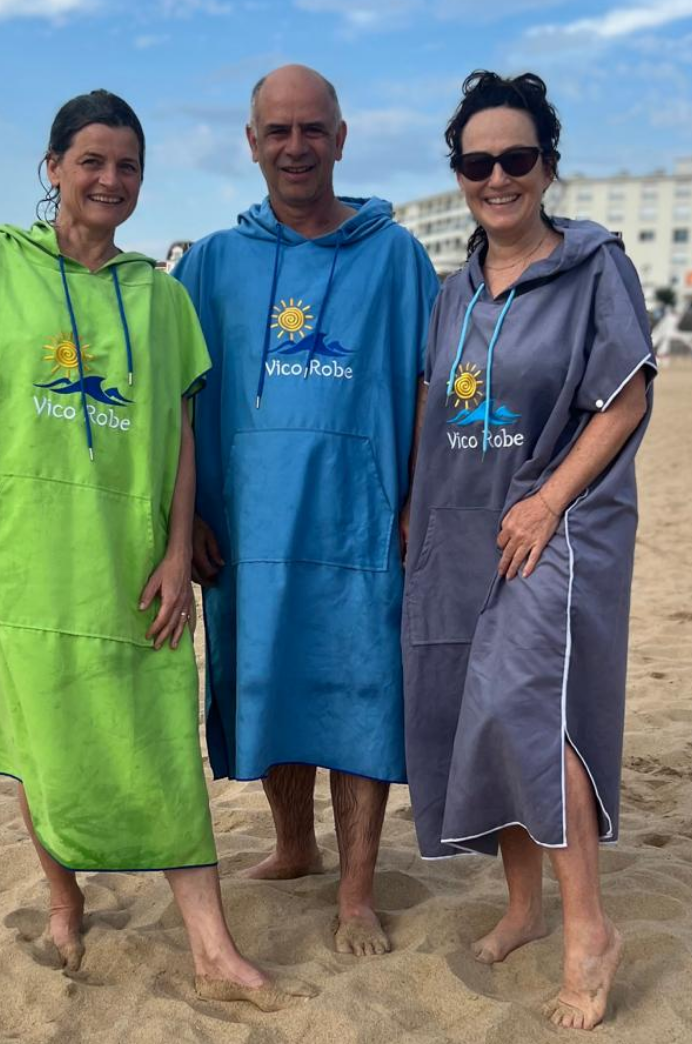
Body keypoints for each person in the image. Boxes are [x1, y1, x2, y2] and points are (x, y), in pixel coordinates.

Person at [0, 89, 310, 1011]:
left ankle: (211, 946)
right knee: (42, 730)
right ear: (53, 167)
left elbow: (179, 434)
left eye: (127, 165)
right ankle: (64, 902)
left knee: (158, 739)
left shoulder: (160, 295)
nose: (109, 179)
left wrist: (177, 553)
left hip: (132, 556)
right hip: (22, 554)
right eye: (91, 161)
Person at [402, 71, 656, 1031]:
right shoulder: (452, 291)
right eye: (477, 163)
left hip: (560, 520)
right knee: (479, 706)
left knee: (524, 701)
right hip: (459, 521)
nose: (496, 177)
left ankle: (588, 929)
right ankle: (522, 906)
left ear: (547, 165)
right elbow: (429, 403)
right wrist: (413, 509)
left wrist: (547, 500)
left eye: (516, 158)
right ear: (458, 175)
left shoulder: (593, 267)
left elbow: (625, 396)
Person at [174, 65, 439, 956]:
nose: (296, 147)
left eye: (312, 129)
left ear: (340, 138)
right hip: (246, 531)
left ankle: (356, 892)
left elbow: (429, 385)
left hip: (358, 525)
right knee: (272, 689)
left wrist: (415, 497)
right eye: (278, 131)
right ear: (251, 143)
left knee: (360, 697)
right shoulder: (210, 263)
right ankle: (295, 847)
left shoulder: (394, 257)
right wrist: (185, 518)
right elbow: (174, 402)